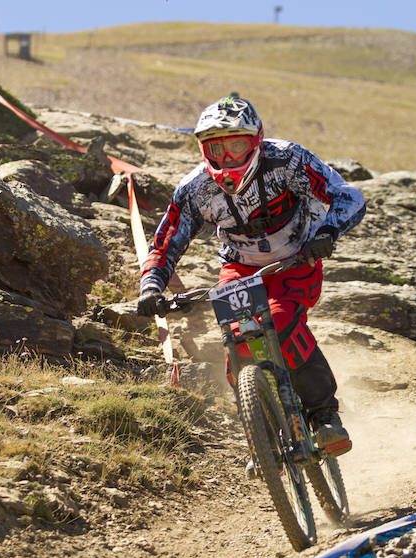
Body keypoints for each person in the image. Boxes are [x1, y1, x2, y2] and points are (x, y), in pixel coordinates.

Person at [136, 95, 366, 459]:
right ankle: (263, 440)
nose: (227, 158)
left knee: (281, 323)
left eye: (237, 146)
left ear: (256, 141)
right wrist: (151, 285)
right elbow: (167, 239)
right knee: (237, 343)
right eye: (216, 148)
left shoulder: (288, 160)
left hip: (297, 260)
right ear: (203, 149)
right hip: (239, 268)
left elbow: (347, 196)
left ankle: (325, 416)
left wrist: (328, 232)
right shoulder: (196, 188)